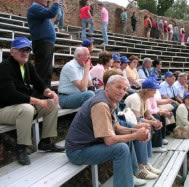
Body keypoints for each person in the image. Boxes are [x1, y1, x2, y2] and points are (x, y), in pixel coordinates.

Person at [65, 75, 150, 187]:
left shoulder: (109, 100)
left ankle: (130, 176)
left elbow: (117, 128)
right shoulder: (101, 105)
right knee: (121, 149)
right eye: (118, 87)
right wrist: (136, 136)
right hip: (78, 151)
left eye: (124, 89)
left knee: (126, 141)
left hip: (89, 144)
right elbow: (109, 140)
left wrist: (137, 131)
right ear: (107, 87)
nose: (122, 92)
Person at [0, 37, 64, 166]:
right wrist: (37, 101)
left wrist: (48, 91)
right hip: (4, 110)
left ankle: (45, 142)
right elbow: (10, 94)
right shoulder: (4, 67)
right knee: (27, 108)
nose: (25, 53)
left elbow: (38, 82)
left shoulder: (27, 65)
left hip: (21, 108)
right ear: (12, 52)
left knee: (51, 104)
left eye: (27, 50)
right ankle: (21, 147)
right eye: (21, 49)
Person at [125, 78, 162, 178]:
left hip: (133, 123)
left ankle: (145, 163)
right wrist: (152, 123)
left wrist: (155, 121)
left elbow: (148, 115)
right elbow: (137, 119)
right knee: (144, 130)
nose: (156, 91)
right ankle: (141, 166)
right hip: (126, 125)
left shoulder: (145, 99)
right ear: (147, 90)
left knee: (147, 127)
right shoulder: (136, 98)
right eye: (154, 89)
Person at [27, 0, 59, 89]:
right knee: (42, 72)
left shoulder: (40, 9)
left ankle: (45, 95)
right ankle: (38, 97)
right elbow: (51, 13)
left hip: (46, 43)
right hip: (43, 43)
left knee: (47, 72)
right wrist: (56, 2)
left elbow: (52, 15)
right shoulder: (35, 7)